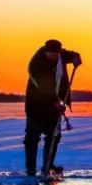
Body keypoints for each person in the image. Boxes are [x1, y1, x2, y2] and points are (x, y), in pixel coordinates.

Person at [24, 39, 82, 176]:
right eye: (51, 55)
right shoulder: (36, 64)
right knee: (32, 137)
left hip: (53, 106)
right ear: (45, 52)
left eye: (56, 55)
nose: (54, 57)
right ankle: (30, 168)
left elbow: (73, 55)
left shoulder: (60, 55)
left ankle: (48, 165)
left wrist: (76, 59)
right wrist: (55, 101)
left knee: (54, 136)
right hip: (36, 105)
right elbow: (44, 87)